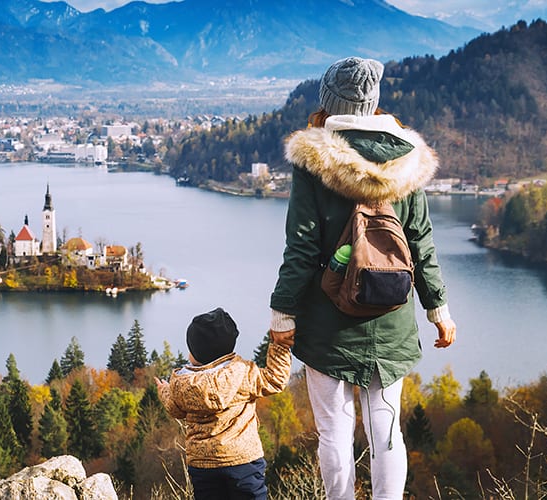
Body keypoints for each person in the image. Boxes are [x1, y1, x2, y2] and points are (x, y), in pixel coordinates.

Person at [268, 56, 458, 500]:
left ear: (330, 103)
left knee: (333, 432)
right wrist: (439, 309)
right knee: (386, 429)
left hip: (328, 317)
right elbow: (420, 242)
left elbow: (300, 247)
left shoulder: (315, 160)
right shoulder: (408, 159)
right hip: (390, 314)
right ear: (372, 103)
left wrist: (282, 314)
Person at [156, 307, 292, 500]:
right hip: (243, 461)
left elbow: (174, 409)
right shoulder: (242, 373)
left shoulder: (181, 384)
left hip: (203, 465)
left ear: (194, 352)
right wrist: (280, 345)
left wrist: (164, 391)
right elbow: (275, 380)